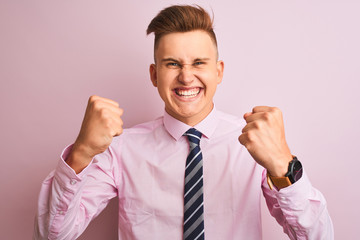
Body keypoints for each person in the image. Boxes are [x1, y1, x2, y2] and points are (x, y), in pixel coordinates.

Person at [34, 5, 334, 240]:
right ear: (154, 75)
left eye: (199, 63)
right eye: (172, 64)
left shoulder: (253, 144)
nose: (186, 76)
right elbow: (52, 234)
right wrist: (81, 154)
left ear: (218, 71)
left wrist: (284, 166)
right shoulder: (120, 150)